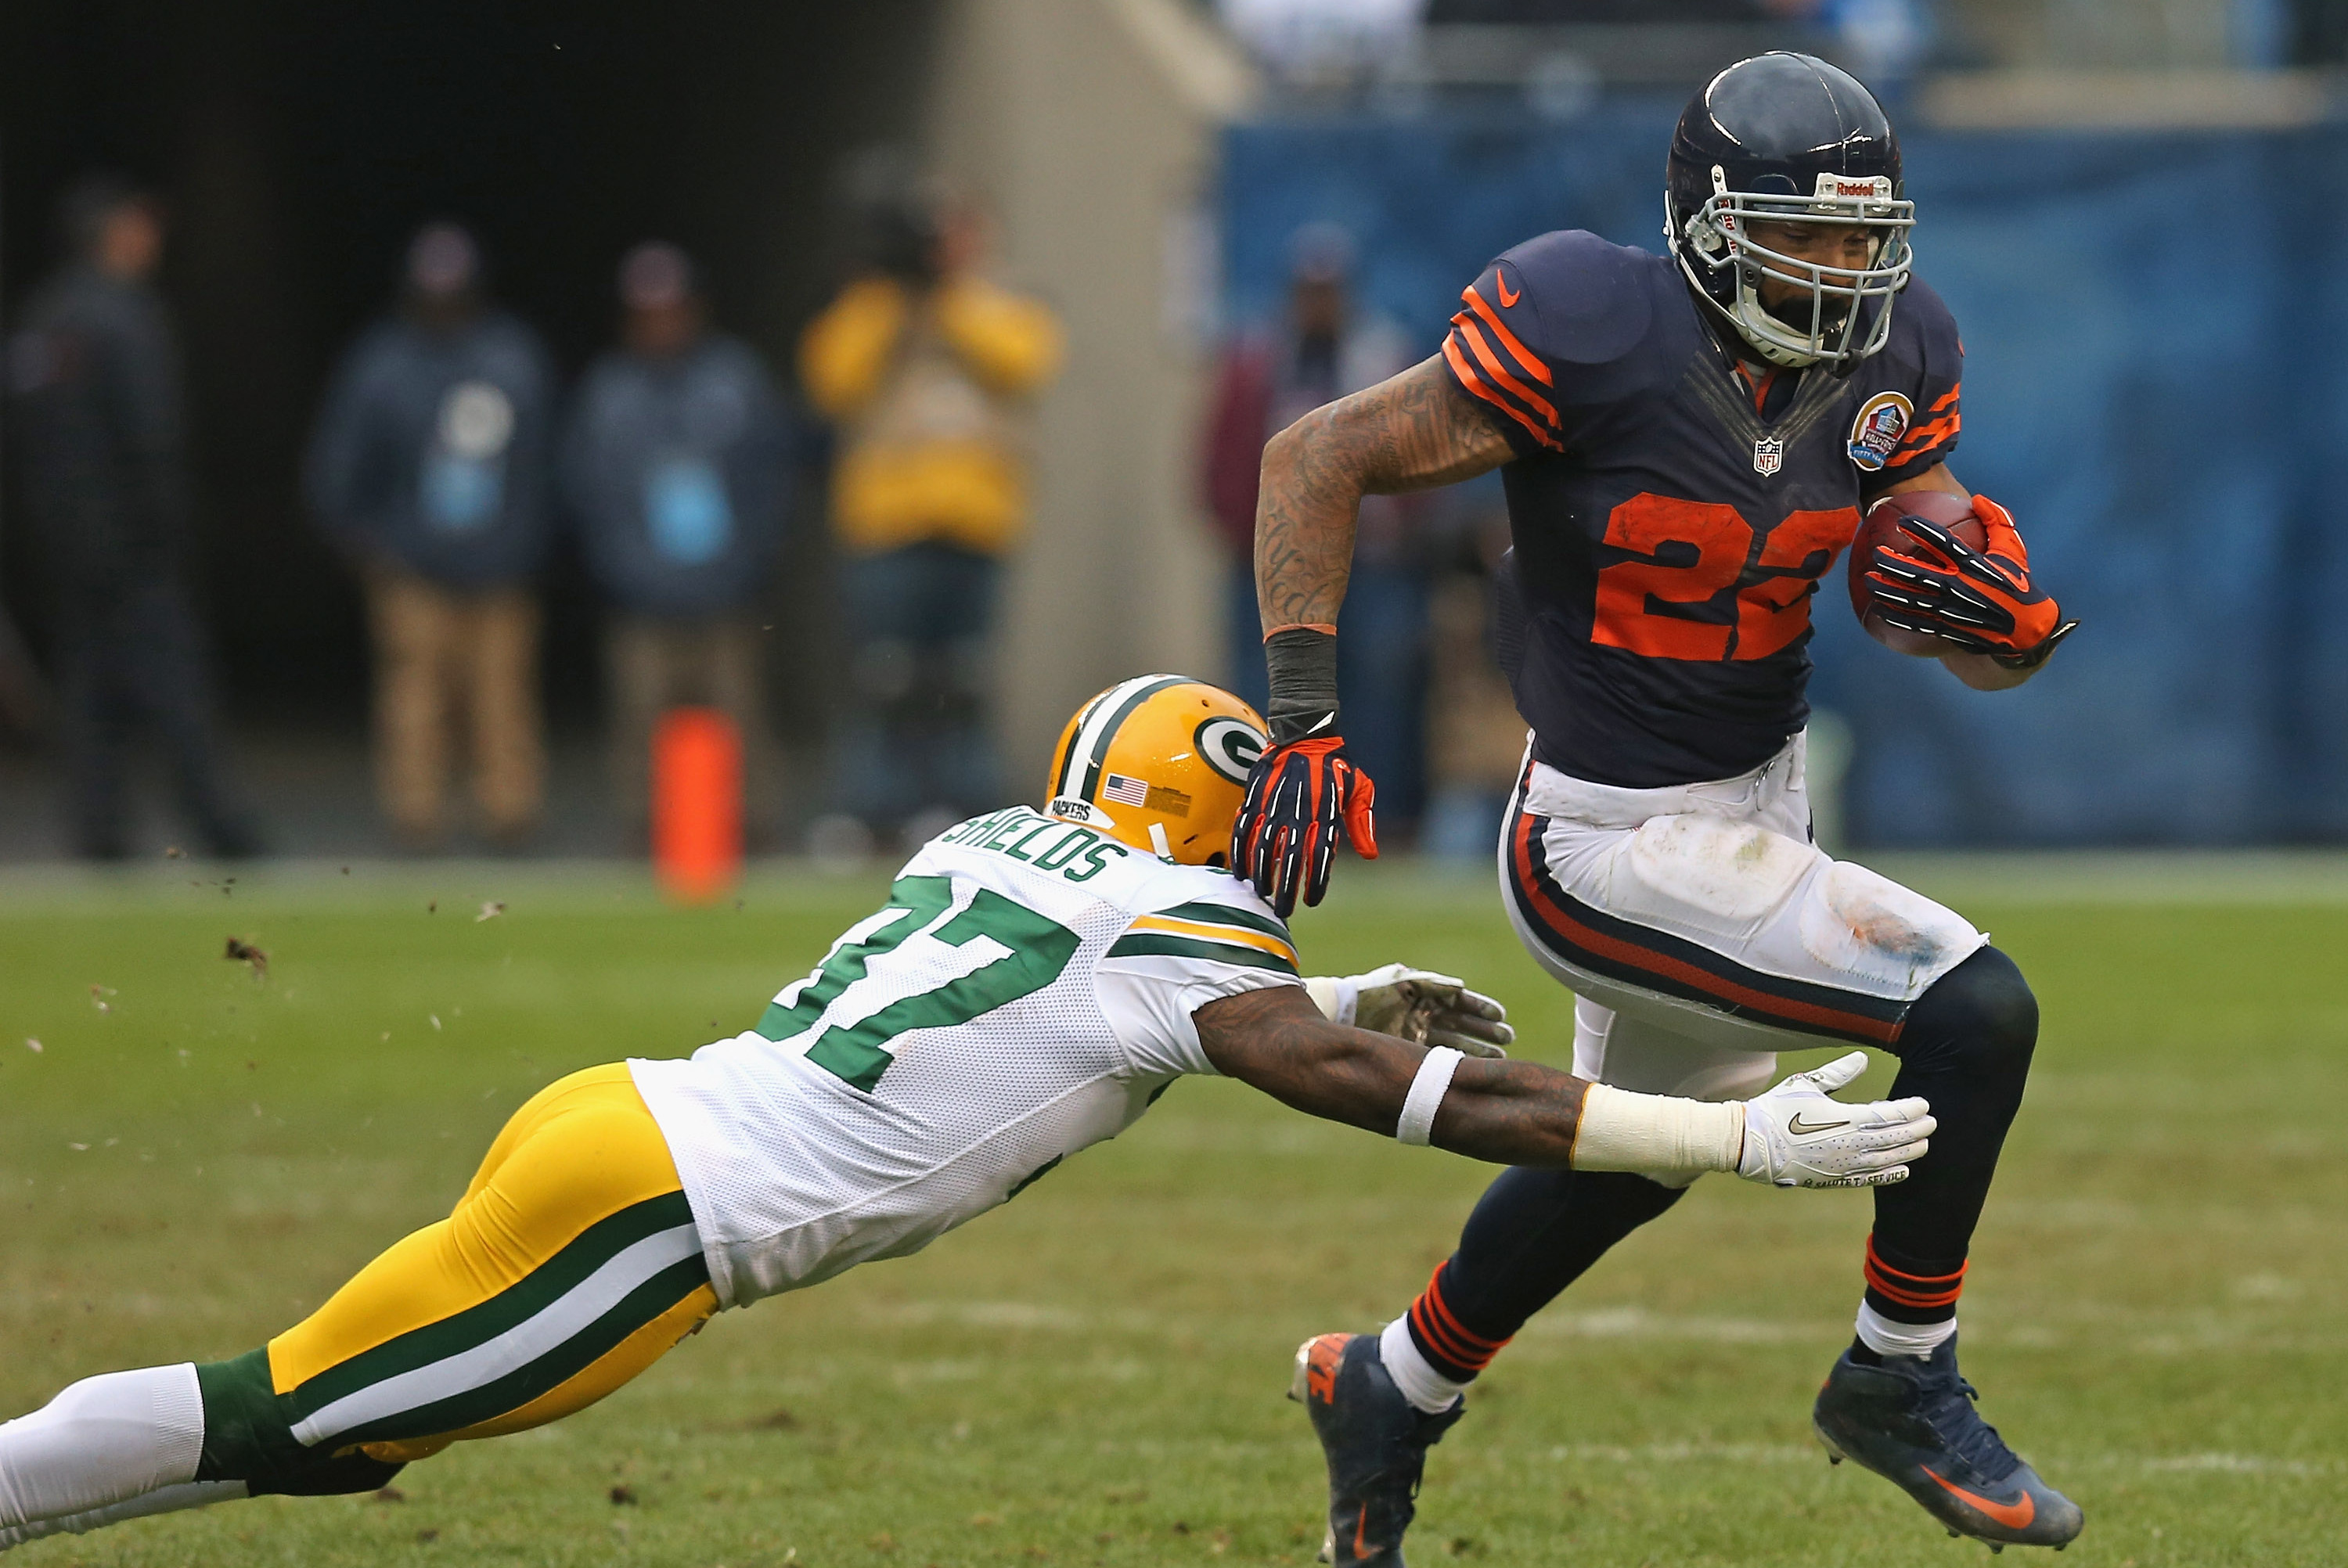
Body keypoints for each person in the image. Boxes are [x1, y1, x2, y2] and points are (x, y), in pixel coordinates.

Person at [0, 673, 1934, 1554]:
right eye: (1254, 797)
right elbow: (1386, 1095)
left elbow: (1053, 1007)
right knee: (286, 1409)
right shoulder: (1172, 925)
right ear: (1197, 802)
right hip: (659, 1216)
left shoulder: (1001, 843)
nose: (1280, 839)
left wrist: (1324, 992)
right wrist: (1726, 1138)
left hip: (617, 1128)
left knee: (338, 1443)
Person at [1234, 53, 2084, 1560]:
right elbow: (1318, 454)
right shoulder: (1584, 324)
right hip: (1604, 840)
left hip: (1761, 808)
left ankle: (1391, 1379)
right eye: (1807, 234)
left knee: (1640, 1153)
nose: (1846, 269)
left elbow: (1911, 589)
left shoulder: (1899, 354)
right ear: (1706, 225)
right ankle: (1899, 1373)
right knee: (1977, 1009)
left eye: (1864, 232)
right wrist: (1302, 714)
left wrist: (1987, 622)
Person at [5, 176, 262, 860]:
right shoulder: (125, 317)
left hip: (63, 547)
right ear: (114, 234)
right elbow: (152, 439)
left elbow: (27, 437)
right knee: (177, 686)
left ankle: (99, 831)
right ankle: (221, 828)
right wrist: (170, 535)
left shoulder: (42, 316)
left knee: (88, 693)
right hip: (133, 548)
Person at [798, 181, 1061, 844]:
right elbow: (832, 378)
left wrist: (946, 295)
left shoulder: (994, 302)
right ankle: (872, 805)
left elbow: (1026, 360)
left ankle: (963, 803)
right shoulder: (874, 304)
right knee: (883, 672)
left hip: (975, 518)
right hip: (887, 520)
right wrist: (893, 295)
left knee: (963, 674)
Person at [304, 222, 557, 848]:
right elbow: (341, 462)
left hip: (500, 565)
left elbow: (547, 461)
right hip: (412, 565)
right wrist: (366, 545)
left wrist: (531, 544)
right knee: (415, 699)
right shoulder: (383, 361)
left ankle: (509, 815)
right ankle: (416, 820)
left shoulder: (512, 355)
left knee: (502, 699)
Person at [562, 242, 794, 842]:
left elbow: (770, 476)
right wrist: (621, 571)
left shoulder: (734, 377)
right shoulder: (609, 391)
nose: (661, 322)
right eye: (648, 311)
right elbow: (590, 492)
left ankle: (752, 827)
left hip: (726, 586)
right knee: (640, 714)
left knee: (739, 711)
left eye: (671, 308)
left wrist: (749, 561)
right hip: (641, 591)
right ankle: (643, 829)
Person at [1201, 224, 1430, 826]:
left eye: (1330, 292)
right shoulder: (1258, 364)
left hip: (1370, 564)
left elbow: (1425, 449)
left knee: (1375, 695)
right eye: (1310, 292)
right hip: (1281, 566)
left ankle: (1374, 821)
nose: (1320, 306)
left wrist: (1403, 531)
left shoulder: (1382, 357)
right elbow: (1222, 461)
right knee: (1272, 693)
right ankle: (1270, 814)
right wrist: (1245, 540)